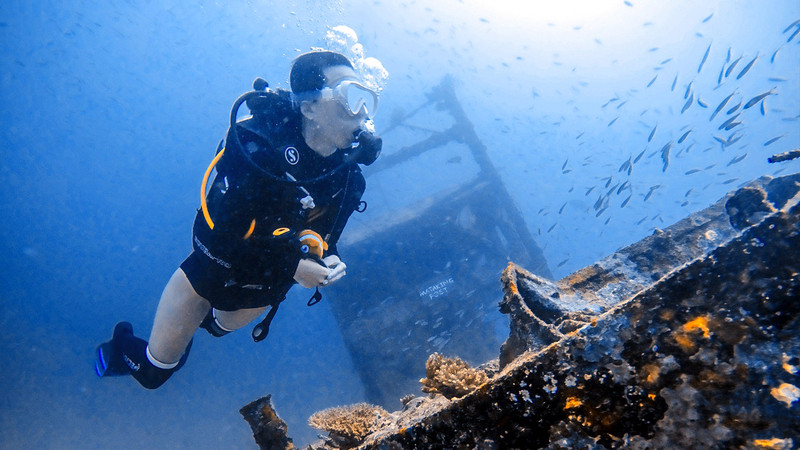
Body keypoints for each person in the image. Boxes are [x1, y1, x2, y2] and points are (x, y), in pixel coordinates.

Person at [95, 50, 383, 389]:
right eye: (350, 97)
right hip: (210, 274)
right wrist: (293, 267)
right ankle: (121, 344)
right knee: (154, 374)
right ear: (309, 107)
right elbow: (223, 238)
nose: (362, 112)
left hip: (261, 290)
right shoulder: (258, 148)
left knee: (215, 329)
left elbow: (325, 240)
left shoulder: (348, 180)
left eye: (367, 99)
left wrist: (330, 260)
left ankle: (187, 327)